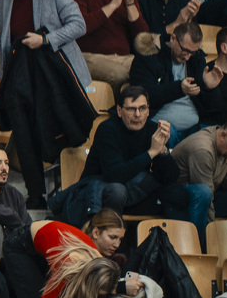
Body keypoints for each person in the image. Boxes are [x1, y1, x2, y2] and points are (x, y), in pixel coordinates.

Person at [0, 0, 96, 206]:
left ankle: (67, 193)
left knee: (55, 131)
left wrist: (46, 39)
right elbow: (3, 45)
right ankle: (36, 194)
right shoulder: (2, 2)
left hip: (54, 75)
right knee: (23, 133)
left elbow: (78, 25)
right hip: (20, 76)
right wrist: (3, 82)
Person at [59, 85, 178, 226]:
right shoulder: (107, 129)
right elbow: (114, 175)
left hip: (133, 192)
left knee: (177, 193)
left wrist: (163, 151)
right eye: (131, 109)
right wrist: (151, 152)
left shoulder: (153, 130)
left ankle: (166, 238)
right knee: (118, 191)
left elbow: (171, 177)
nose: (137, 114)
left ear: (148, 111)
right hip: (99, 192)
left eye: (142, 108)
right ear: (119, 111)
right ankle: (108, 235)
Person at [169, 116, 227, 233]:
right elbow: (206, 196)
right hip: (181, 200)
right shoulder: (203, 150)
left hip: (208, 195)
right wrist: (213, 235)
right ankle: (202, 242)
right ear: (223, 135)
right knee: (204, 193)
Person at [129, 20, 210, 134]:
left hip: (194, 128)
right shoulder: (149, 57)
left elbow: (212, 108)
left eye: (192, 52)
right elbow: (144, 95)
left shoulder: (196, 60)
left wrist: (210, 88)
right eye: (184, 50)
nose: (187, 57)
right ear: (173, 38)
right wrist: (179, 88)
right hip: (160, 127)